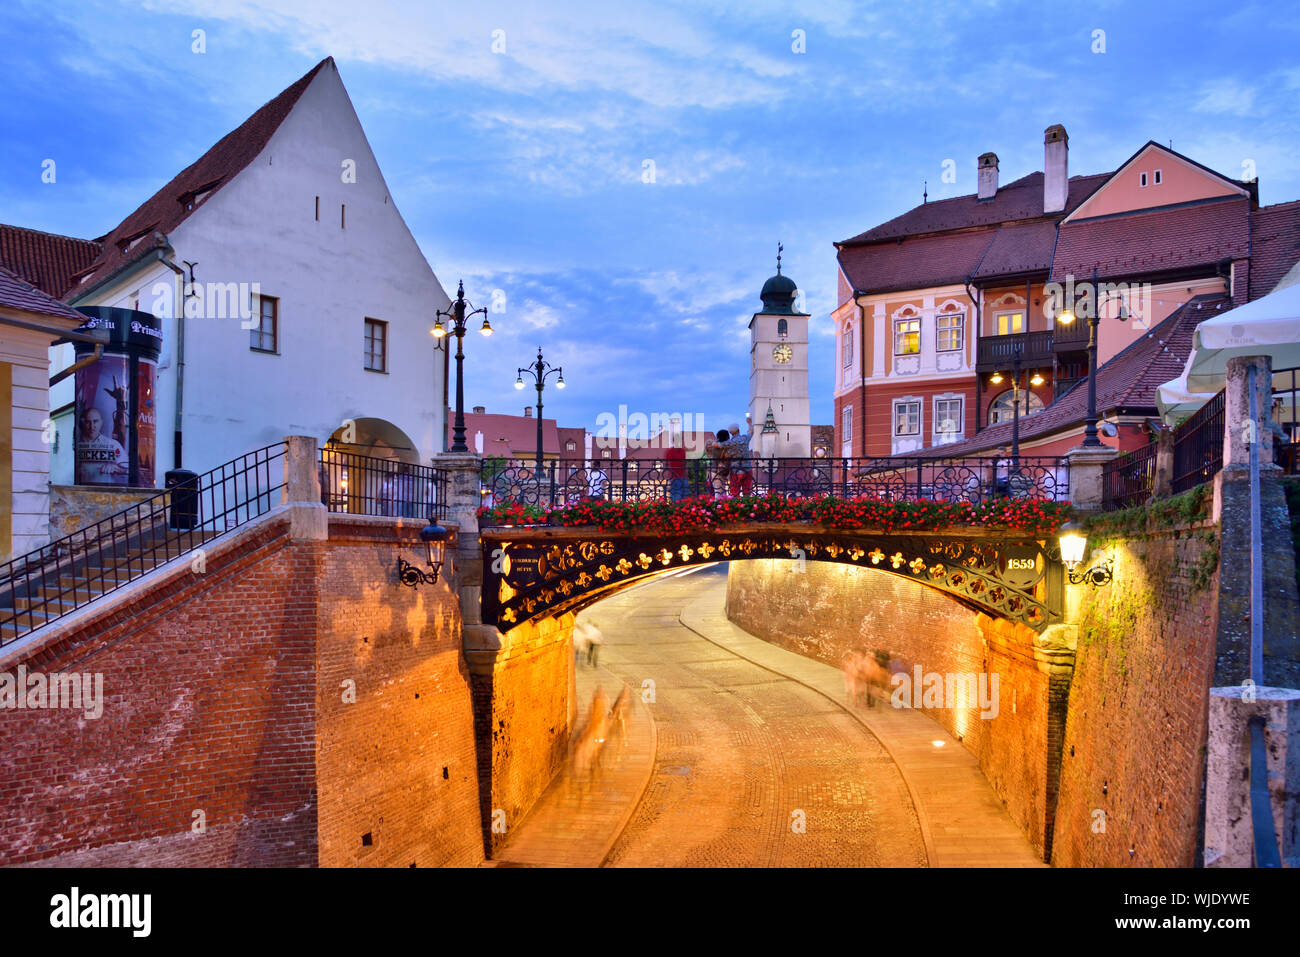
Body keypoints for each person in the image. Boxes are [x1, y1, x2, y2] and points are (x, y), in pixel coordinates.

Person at [77, 406, 127, 484]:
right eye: (88, 422)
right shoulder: (77, 444)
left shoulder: (113, 444)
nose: (92, 426)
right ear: (83, 423)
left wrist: (114, 467)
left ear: (101, 422)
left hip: (104, 493)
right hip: (81, 491)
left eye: (95, 421)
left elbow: (127, 468)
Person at [724, 421, 754, 496]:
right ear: (738, 430)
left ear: (730, 433)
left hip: (735, 470)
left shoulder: (729, 443)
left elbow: (726, 456)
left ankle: (736, 506)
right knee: (747, 492)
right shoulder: (744, 438)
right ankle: (747, 506)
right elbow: (751, 432)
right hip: (747, 469)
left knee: (734, 492)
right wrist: (749, 423)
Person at [705, 429, 730, 497]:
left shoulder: (714, 445)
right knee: (720, 492)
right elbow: (727, 457)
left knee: (719, 491)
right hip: (720, 470)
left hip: (714, 471)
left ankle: (720, 506)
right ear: (726, 437)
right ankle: (718, 506)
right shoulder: (723, 447)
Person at [665, 432, 688, 501]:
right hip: (676, 477)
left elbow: (667, 464)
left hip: (679, 476)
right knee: (679, 496)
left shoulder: (671, 451)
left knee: (680, 496)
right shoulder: (671, 451)